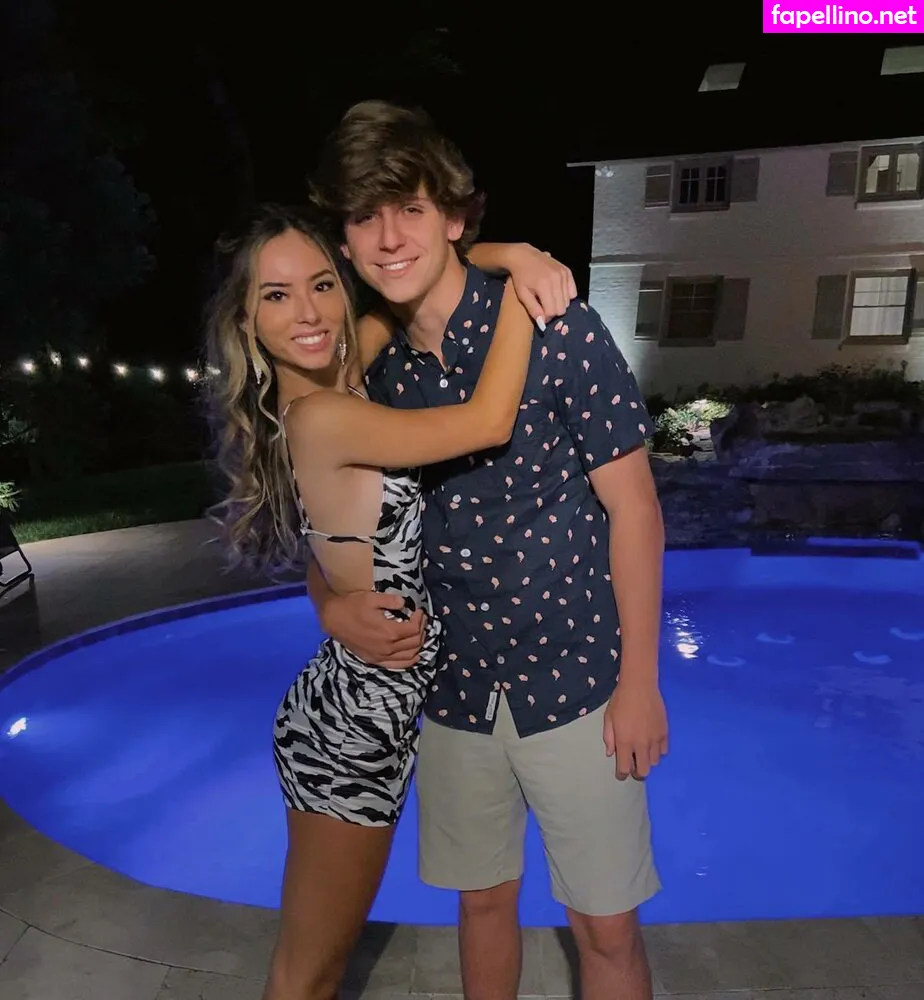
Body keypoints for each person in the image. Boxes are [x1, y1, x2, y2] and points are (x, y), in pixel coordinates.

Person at [307, 101, 669, 1000]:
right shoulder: (373, 374)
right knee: (481, 906)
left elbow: (634, 510)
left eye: (411, 207)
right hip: (455, 691)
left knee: (607, 928)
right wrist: (331, 601)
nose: (390, 236)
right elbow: (324, 514)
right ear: (345, 242)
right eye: (366, 215)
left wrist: (640, 682)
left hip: (578, 682)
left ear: (454, 217)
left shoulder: (555, 324)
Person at [204, 202, 576, 1000]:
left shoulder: (338, 380)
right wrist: (523, 288)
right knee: (308, 974)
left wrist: (507, 250)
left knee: (315, 967)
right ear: (246, 321)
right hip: (353, 732)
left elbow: (409, 282)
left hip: (366, 704)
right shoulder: (326, 415)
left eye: (321, 285)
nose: (308, 313)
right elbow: (488, 421)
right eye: (276, 296)